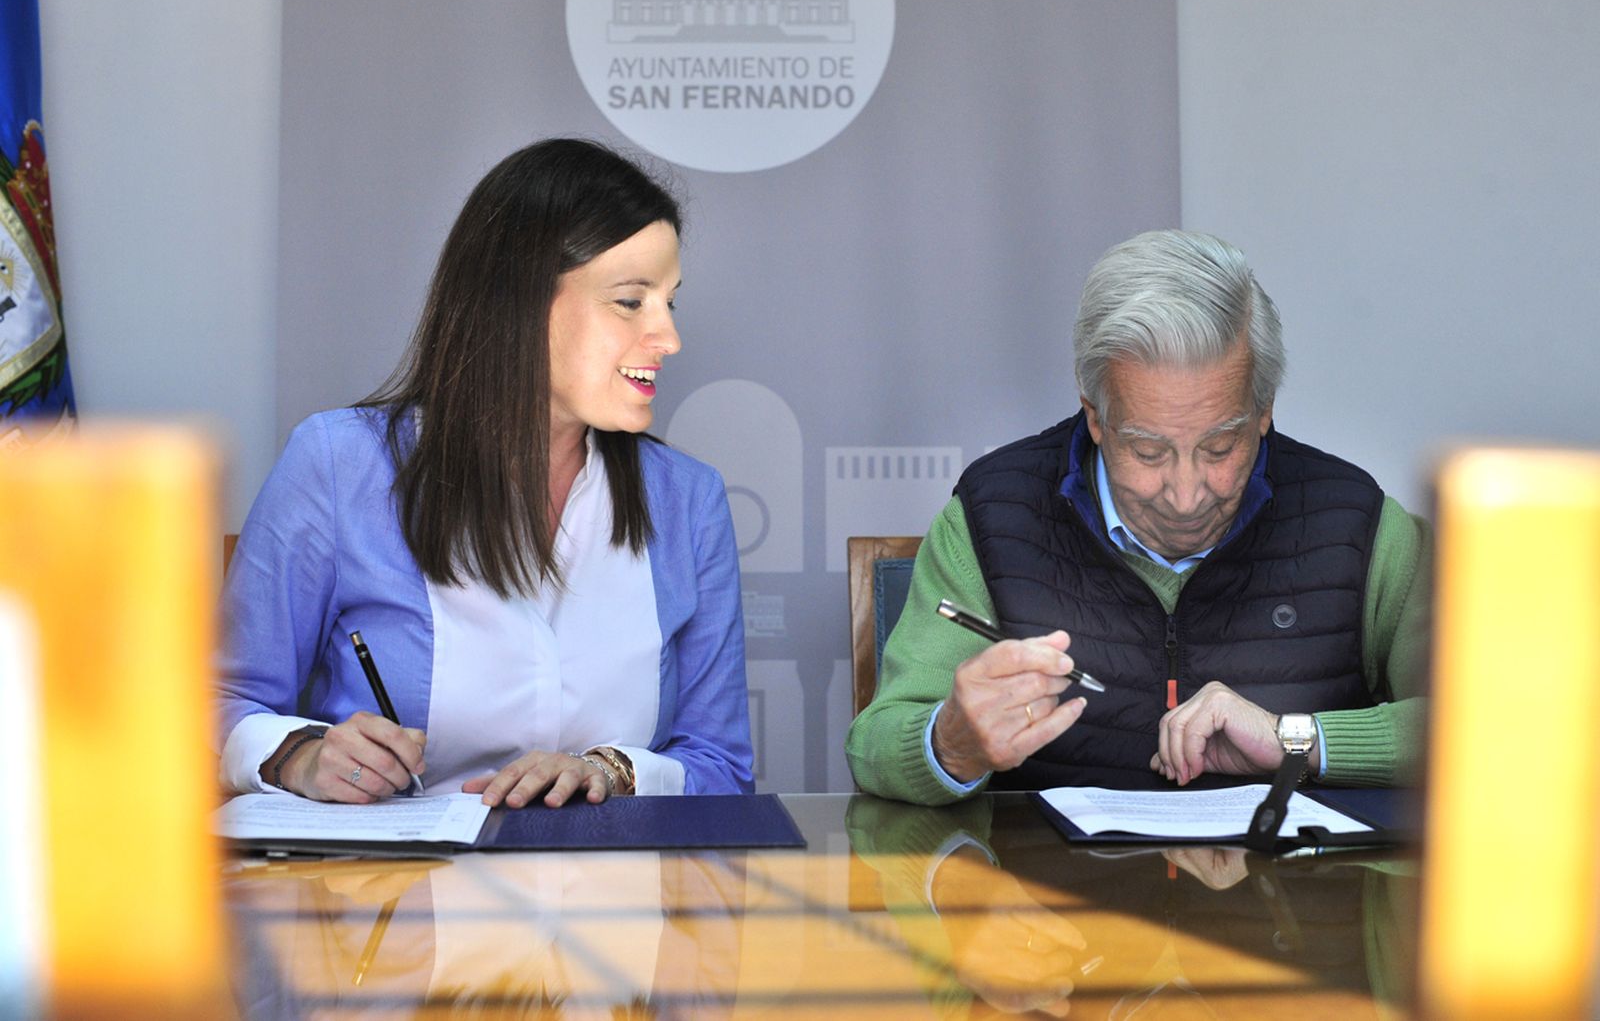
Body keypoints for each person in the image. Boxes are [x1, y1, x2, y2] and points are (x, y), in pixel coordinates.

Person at [216, 138, 753, 808]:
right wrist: (300, 755)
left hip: (613, 875)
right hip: (394, 874)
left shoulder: (689, 500)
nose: (668, 337)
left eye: (669, 302)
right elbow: (215, 704)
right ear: (519, 301)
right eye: (630, 301)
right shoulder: (337, 464)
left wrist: (618, 771)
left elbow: (722, 767)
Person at [846, 229, 1429, 804]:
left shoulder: (1358, 526)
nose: (1186, 495)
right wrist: (951, 743)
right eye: (1149, 452)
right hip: (1046, 871)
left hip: (1285, 869)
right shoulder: (994, 517)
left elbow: (1477, 725)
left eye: (1220, 448)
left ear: (1263, 412)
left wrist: (1297, 740)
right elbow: (875, 743)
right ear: (1095, 417)